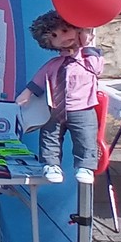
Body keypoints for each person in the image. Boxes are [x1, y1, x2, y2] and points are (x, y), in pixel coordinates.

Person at [16, 11, 102, 185]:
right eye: (54, 36)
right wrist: (27, 94)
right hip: (55, 109)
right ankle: (50, 164)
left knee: (85, 137)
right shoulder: (53, 65)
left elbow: (97, 68)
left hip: (82, 109)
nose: (61, 38)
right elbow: (39, 79)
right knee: (49, 136)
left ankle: (86, 166)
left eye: (65, 31)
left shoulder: (87, 61)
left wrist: (86, 42)